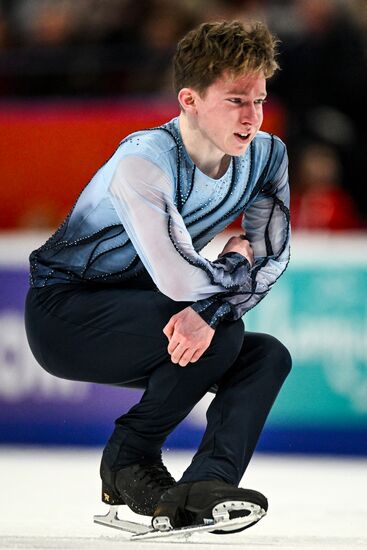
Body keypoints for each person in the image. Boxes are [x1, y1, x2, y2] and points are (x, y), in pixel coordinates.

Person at [25, 20, 292, 533]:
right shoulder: (144, 160)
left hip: (150, 311)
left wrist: (214, 302)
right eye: (236, 100)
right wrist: (235, 266)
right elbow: (177, 279)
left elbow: (275, 256)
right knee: (224, 332)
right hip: (65, 313)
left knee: (266, 357)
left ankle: (205, 487)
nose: (252, 116)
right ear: (189, 99)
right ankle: (129, 460)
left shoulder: (266, 157)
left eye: (258, 100)